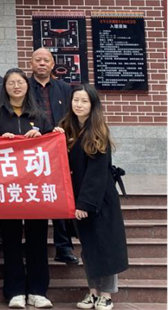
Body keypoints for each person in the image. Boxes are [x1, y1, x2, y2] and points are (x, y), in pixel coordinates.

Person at [0, 69, 61, 309]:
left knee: (37, 239)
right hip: (7, 190)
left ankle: (38, 290)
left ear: (27, 86)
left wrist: (44, 135)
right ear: (5, 88)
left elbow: (52, 145)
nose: (16, 86)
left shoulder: (40, 115)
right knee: (11, 239)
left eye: (20, 82)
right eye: (11, 83)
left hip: (35, 189)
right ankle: (14, 291)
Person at [59, 85, 128, 310]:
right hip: (79, 199)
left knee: (105, 246)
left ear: (93, 105)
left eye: (84, 101)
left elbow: (96, 173)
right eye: (75, 100)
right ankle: (92, 293)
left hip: (99, 201)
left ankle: (106, 295)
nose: (78, 105)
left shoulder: (98, 131)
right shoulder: (68, 127)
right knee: (89, 248)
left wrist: (85, 204)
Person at [28, 48, 78, 265]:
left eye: (45, 60)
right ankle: (32, 245)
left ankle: (63, 246)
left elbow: (72, 116)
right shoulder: (24, 86)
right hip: (32, 151)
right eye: (37, 60)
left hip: (59, 149)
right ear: (31, 63)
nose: (41, 63)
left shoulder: (65, 88)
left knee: (60, 195)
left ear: (52, 64)